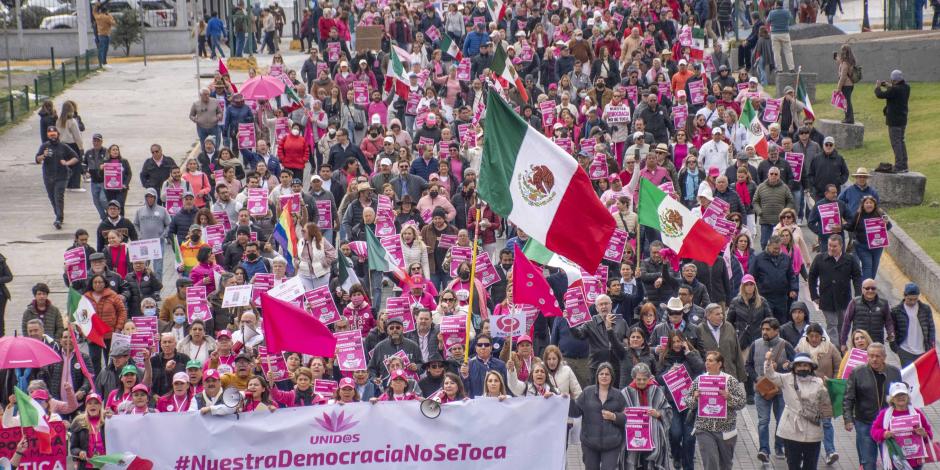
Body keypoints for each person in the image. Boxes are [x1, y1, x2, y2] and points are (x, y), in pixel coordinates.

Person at [764, 351, 832, 470]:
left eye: (805, 365)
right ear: (794, 367)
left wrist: (828, 388)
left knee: (810, 465)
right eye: (799, 365)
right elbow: (771, 375)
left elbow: (825, 403)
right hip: (791, 428)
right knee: (793, 464)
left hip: (813, 429)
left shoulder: (819, 382)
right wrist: (768, 361)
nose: (802, 368)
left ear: (811, 367)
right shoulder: (786, 379)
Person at [683, 351, 747, 470]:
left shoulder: (730, 381)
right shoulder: (699, 380)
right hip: (704, 429)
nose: (707, 363)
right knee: (710, 463)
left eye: (711, 361)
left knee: (726, 465)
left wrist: (729, 398)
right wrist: (695, 398)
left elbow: (742, 402)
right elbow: (687, 402)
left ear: (719, 364)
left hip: (726, 430)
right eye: (706, 360)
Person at [843, 343, 901, 470]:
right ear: (867, 357)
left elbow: (902, 397)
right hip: (865, 422)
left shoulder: (895, 372)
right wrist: (848, 419)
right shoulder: (857, 372)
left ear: (884, 357)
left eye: (878, 356)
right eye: (871, 356)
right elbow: (848, 397)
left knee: (892, 462)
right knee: (868, 463)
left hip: (888, 425)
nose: (874, 359)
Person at [746, 317, 796, 462]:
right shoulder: (755, 344)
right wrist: (757, 379)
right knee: (763, 421)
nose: (764, 332)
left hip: (780, 391)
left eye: (768, 329)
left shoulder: (785, 345)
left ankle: (779, 447)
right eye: (763, 329)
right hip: (761, 391)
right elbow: (748, 365)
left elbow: (795, 365)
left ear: (776, 331)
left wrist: (782, 368)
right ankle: (764, 450)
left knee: (781, 420)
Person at [570, 363, 626, 470]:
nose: (604, 376)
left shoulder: (618, 395)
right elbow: (576, 412)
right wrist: (568, 401)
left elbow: (625, 418)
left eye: (607, 374)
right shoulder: (587, 392)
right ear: (597, 376)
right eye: (601, 374)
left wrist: (614, 416)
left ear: (612, 377)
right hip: (590, 443)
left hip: (612, 444)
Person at [808, 235, 862, 346]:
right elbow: (812, 277)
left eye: (835, 246)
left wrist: (858, 295)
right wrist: (814, 295)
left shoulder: (849, 259)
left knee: (842, 325)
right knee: (832, 324)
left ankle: (841, 344)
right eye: (829, 246)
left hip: (844, 299)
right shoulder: (820, 258)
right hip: (826, 299)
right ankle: (835, 348)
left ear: (841, 246)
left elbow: (857, 277)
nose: (831, 248)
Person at [871, 382, 934, 470]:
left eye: (903, 394)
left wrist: (924, 433)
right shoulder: (884, 414)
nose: (901, 397)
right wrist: (884, 434)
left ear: (908, 397)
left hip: (915, 461)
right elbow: (874, 431)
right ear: (892, 399)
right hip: (894, 460)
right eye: (897, 395)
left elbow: (929, 433)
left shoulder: (917, 412)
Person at [622, 362, 672, 469]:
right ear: (633, 378)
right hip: (632, 437)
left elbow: (668, 411)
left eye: (645, 379)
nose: (641, 382)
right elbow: (619, 414)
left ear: (649, 378)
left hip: (654, 435)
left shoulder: (657, 391)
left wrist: (658, 414)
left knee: (650, 464)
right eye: (638, 379)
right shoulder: (625, 393)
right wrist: (624, 414)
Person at [570, 294, 628, 387]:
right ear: (596, 308)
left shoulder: (621, 321)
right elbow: (579, 335)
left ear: (611, 305)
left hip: (616, 367)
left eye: (606, 304)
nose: (604, 306)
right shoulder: (590, 322)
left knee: (615, 395)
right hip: (596, 367)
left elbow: (627, 341)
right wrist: (570, 321)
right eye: (601, 304)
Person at [35, 126, 79, 229]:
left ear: (58, 135)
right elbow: (37, 159)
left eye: (54, 135)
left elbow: (76, 157)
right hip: (48, 176)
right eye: (50, 135)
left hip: (62, 176)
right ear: (47, 136)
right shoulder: (44, 146)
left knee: (58, 196)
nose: (53, 137)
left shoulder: (63, 146)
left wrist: (67, 163)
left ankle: (59, 218)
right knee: (52, 197)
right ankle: (58, 215)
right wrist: (43, 156)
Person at [750, 235, 798, 324]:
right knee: (766, 322)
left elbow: (791, 275)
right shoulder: (758, 259)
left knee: (782, 322)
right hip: (764, 297)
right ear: (768, 246)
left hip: (782, 297)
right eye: (774, 248)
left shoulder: (786, 258)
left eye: (778, 248)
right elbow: (752, 277)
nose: (776, 251)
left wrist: (793, 289)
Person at [845, 196, 892, 280]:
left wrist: (886, 223)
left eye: (871, 203)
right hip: (863, 246)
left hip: (877, 247)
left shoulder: (881, 213)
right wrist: (841, 226)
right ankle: (866, 288)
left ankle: (869, 287)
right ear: (863, 205)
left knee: (874, 268)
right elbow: (851, 226)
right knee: (867, 267)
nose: (869, 204)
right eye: (866, 203)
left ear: (874, 204)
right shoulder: (858, 214)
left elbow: (889, 227)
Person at [890, 283, 936, 367]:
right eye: (910, 299)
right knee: (908, 378)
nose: (912, 302)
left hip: (923, 350)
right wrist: (895, 347)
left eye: (915, 299)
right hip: (905, 350)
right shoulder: (896, 310)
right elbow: (892, 329)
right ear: (904, 295)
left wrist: (931, 345)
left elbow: (931, 327)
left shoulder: (925, 309)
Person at [874, 70, 910, 173]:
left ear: (893, 80)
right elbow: (894, 88)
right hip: (903, 120)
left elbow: (880, 94)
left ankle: (899, 166)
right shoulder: (906, 87)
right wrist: (887, 85)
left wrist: (877, 87)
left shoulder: (894, 90)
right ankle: (904, 165)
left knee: (896, 143)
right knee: (901, 141)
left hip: (894, 122)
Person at [841, 278, 895, 347]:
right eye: (867, 288)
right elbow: (846, 323)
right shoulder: (854, 302)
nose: (870, 290)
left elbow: (889, 322)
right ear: (862, 289)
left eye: (873, 288)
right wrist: (843, 343)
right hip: (859, 344)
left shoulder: (884, 303)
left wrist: (891, 333)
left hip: (876, 344)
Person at [459, 334, 508, 398]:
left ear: (491, 347)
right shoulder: (468, 366)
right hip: (477, 405)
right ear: (475, 348)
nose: (483, 347)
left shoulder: (501, 365)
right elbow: (464, 390)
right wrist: (464, 377)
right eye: (480, 345)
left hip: (497, 403)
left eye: (486, 345)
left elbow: (506, 387)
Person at [766, 1, 795, 72]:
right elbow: (791, 20)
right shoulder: (786, 12)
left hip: (775, 34)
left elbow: (767, 21)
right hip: (785, 33)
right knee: (788, 51)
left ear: (776, 4)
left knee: (776, 53)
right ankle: (791, 68)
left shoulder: (772, 13)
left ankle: (779, 69)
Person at [836, 45, 857, 124]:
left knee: (846, 102)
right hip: (850, 85)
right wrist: (838, 60)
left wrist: (838, 88)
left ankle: (849, 119)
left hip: (846, 85)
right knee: (846, 102)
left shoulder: (845, 63)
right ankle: (848, 118)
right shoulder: (850, 62)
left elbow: (843, 77)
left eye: (842, 51)